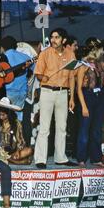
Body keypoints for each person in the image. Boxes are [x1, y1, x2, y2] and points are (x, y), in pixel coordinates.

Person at [33, 28, 78, 169]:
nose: (53, 40)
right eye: (52, 37)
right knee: (44, 127)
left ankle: (61, 158)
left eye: (57, 37)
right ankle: (40, 159)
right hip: (47, 91)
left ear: (63, 40)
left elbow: (72, 77)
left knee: (62, 127)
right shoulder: (45, 54)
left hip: (63, 94)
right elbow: (38, 73)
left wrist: (71, 98)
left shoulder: (71, 54)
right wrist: (43, 77)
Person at [75, 38, 104, 167]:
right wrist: (84, 106)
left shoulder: (100, 64)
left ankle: (96, 157)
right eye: (100, 49)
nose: (102, 51)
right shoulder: (83, 65)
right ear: (95, 50)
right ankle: (81, 158)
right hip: (87, 96)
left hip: (100, 97)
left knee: (96, 129)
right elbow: (78, 88)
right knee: (84, 129)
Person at [0, 36, 34, 122]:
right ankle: (18, 134)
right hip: (22, 93)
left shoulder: (2, 58)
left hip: (7, 93)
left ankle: (8, 135)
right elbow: (36, 70)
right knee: (19, 119)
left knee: (6, 120)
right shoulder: (25, 57)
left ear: (3, 47)